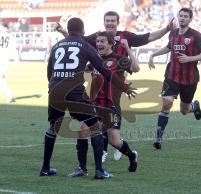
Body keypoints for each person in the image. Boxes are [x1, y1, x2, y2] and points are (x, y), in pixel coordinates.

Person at [56, 11, 174, 161]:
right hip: (99, 77)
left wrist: (166, 29)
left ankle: (110, 143)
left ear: (118, 22)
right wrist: (63, 32)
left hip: (117, 79)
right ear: (104, 22)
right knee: (98, 111)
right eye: (107, 20)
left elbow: (148, 38)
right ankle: (106, 147)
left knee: (108, 106)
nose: (110, 23)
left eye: (113, 20)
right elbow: (78, 40)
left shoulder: (126, 37)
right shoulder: (97, 37)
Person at [40, 17, 135, 179]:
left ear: (68, 30)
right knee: (95, 127)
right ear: (83, 31)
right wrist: (124, 87)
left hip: (55, 90)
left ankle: (45, 168)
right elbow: (104, 70)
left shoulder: (56, 46)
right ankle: (99, 171)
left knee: (53, 128)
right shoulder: (84, 45)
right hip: (74, 92)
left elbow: (49, 71)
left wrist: (54, 86)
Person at [68, 31, 139, 177]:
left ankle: (131, 156)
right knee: (82, 130)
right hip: (94, 104)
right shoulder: (95, 59)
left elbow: (136, 68)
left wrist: (127, 49)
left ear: (110, 43)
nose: (99, 44)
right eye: (97, 41)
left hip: (111, 106)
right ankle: (82, 168)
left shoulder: (119, 59)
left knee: (115, 142)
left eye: (102, 41)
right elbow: (82, 68)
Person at [148, 8, 201, 150]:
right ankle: (158, 138)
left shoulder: (196, 35)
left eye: (185, 16)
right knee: (166, 104)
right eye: (180, 16)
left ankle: (193, 107)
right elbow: (168, 47)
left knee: (184, 110)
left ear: (190, 19)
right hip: (171, 76)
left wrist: (189, 58)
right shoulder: (173, 32)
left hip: (189, 79)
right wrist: (153, 55)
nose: (182, 18)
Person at [0, 23, 14, 103]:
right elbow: (13, 47)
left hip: (1, 58)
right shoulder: (10, 35)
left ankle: (10, 95)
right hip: (6, 59)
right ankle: (9, 94)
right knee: (2, 78)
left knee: (2, 79)